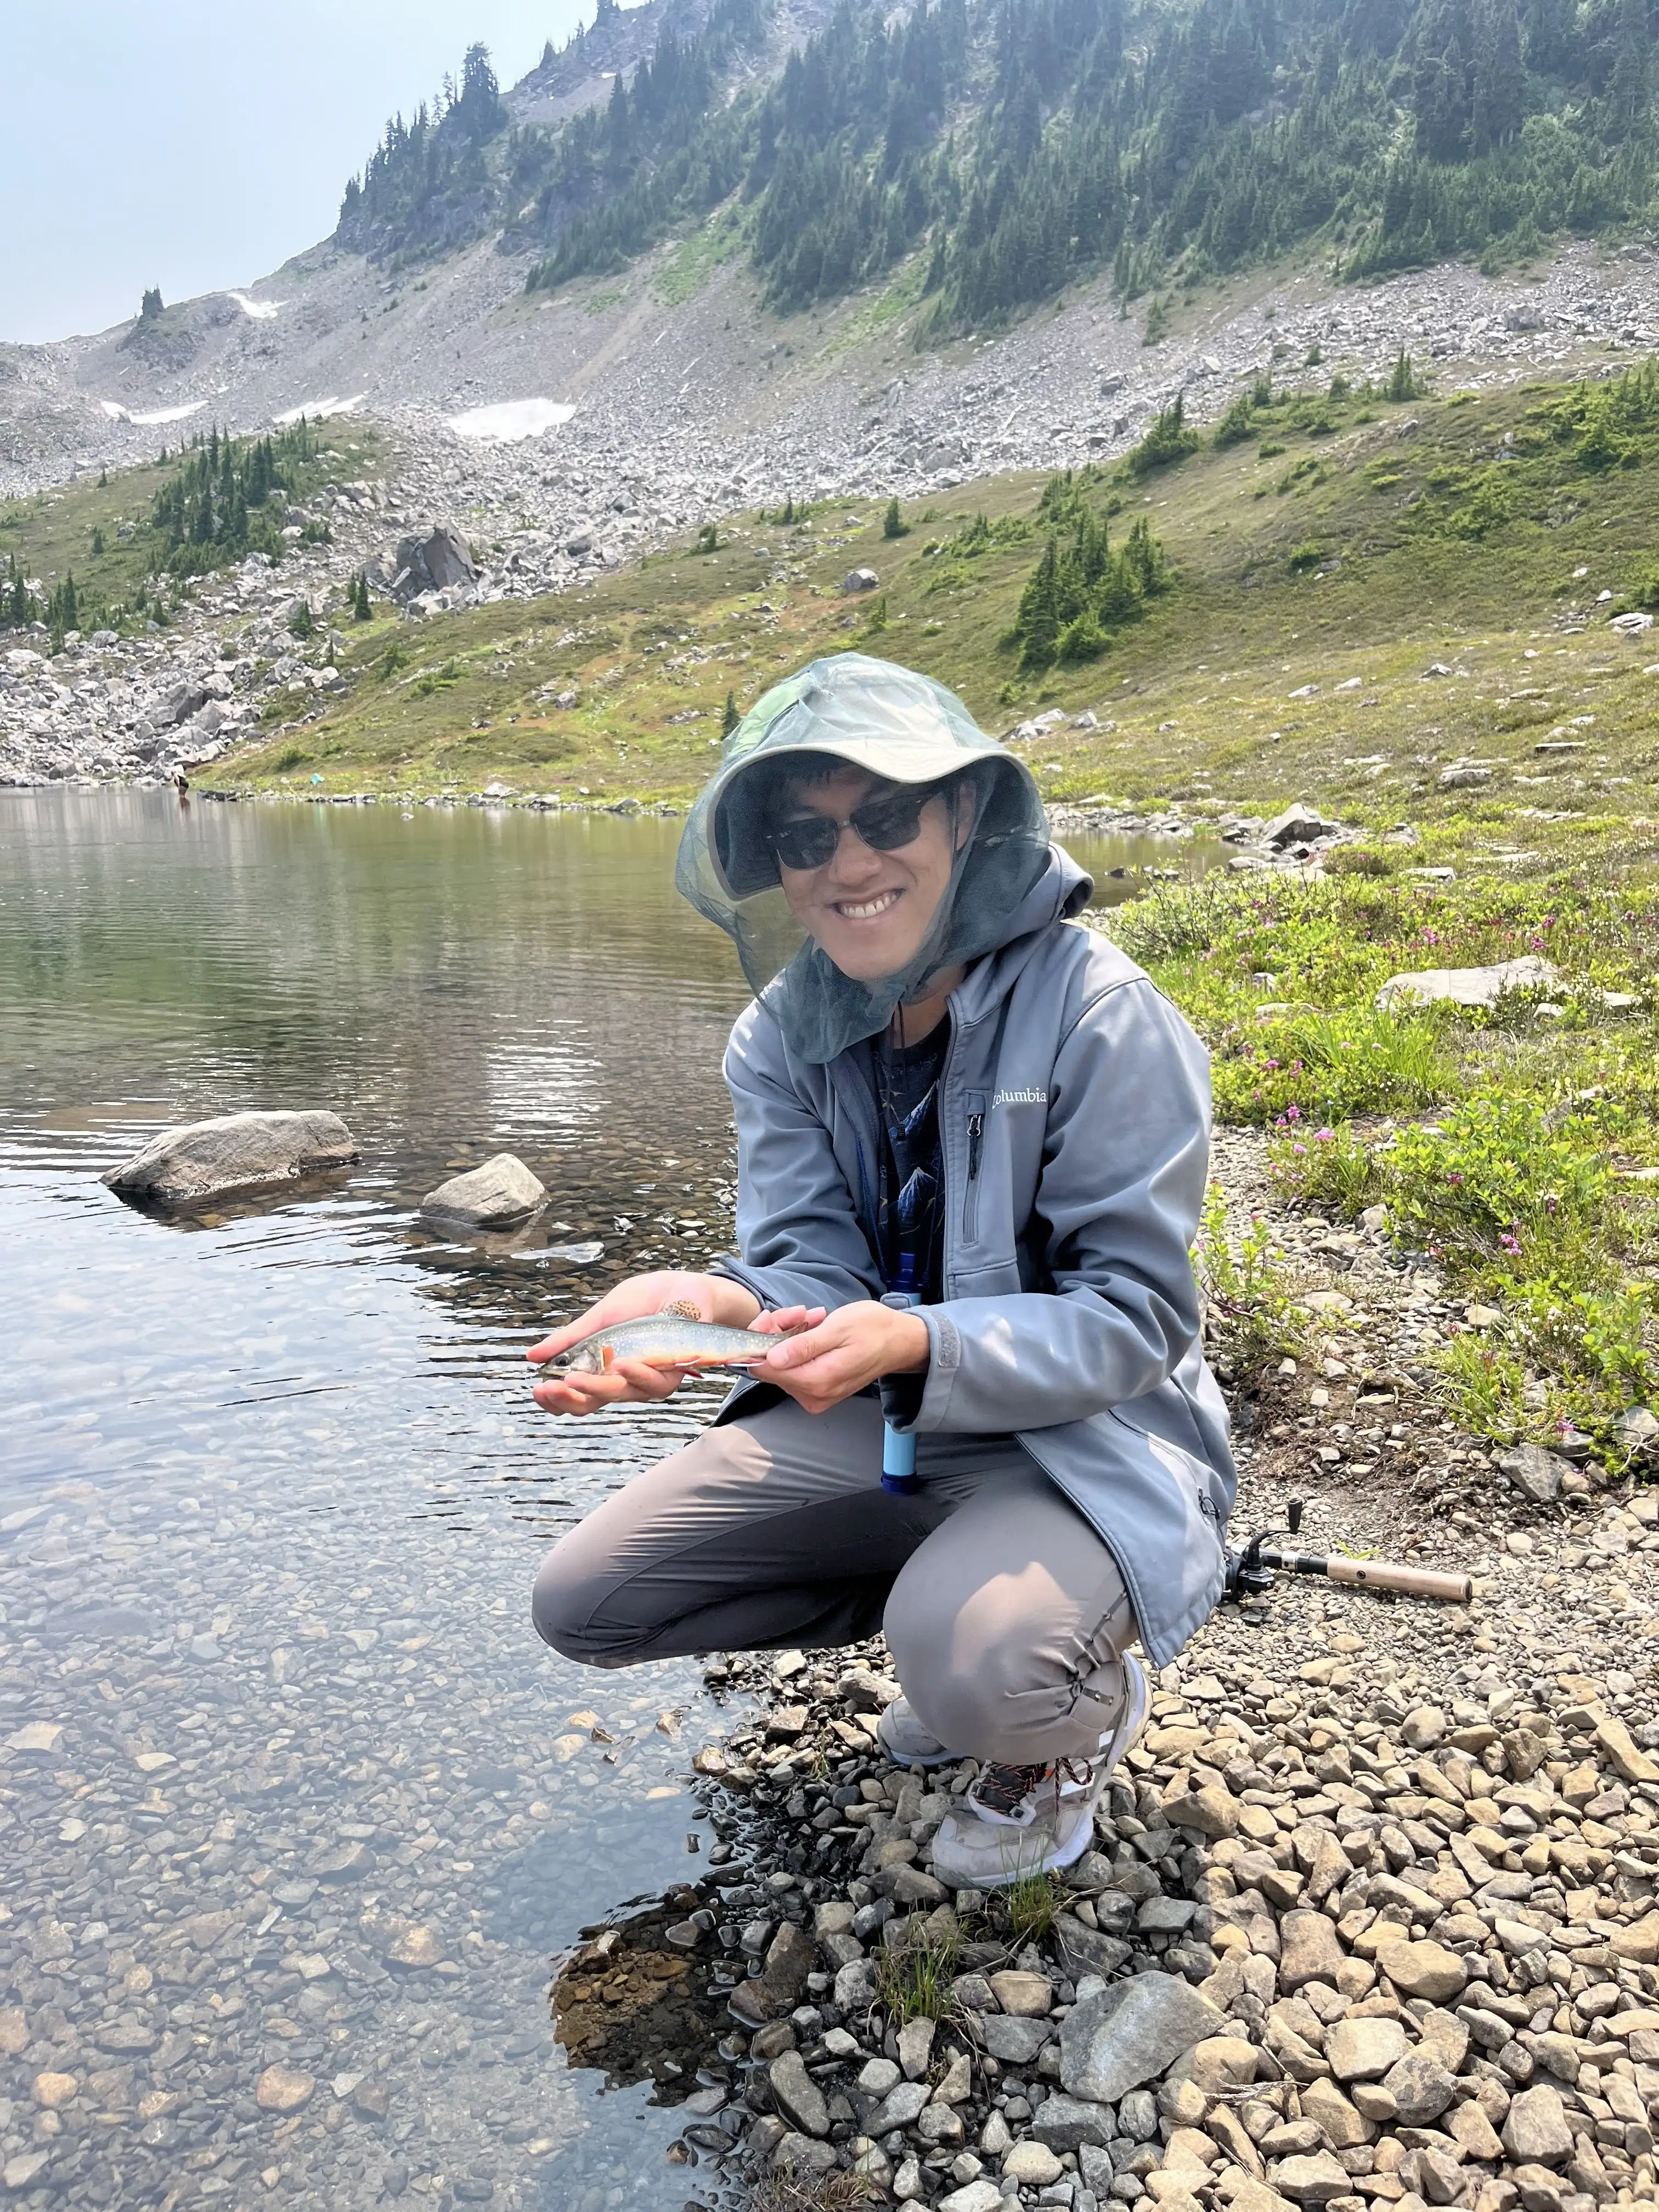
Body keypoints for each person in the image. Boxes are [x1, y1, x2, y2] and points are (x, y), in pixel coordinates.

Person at [529, 652, 1234, 1887]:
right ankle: (958, 1612)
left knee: (986, 1671)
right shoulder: (779, 1039)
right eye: (806, 836)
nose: (849, 864)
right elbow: (808, 1260)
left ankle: (1057, 1712)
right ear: (777, 873)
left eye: (887, 816)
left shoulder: (1102, 1015)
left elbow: (1136, 1320)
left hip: (1097, 1431)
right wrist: (718, 1305)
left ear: (963, 817)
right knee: (588, 1602)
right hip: (895, 1415)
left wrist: (923, 1345)